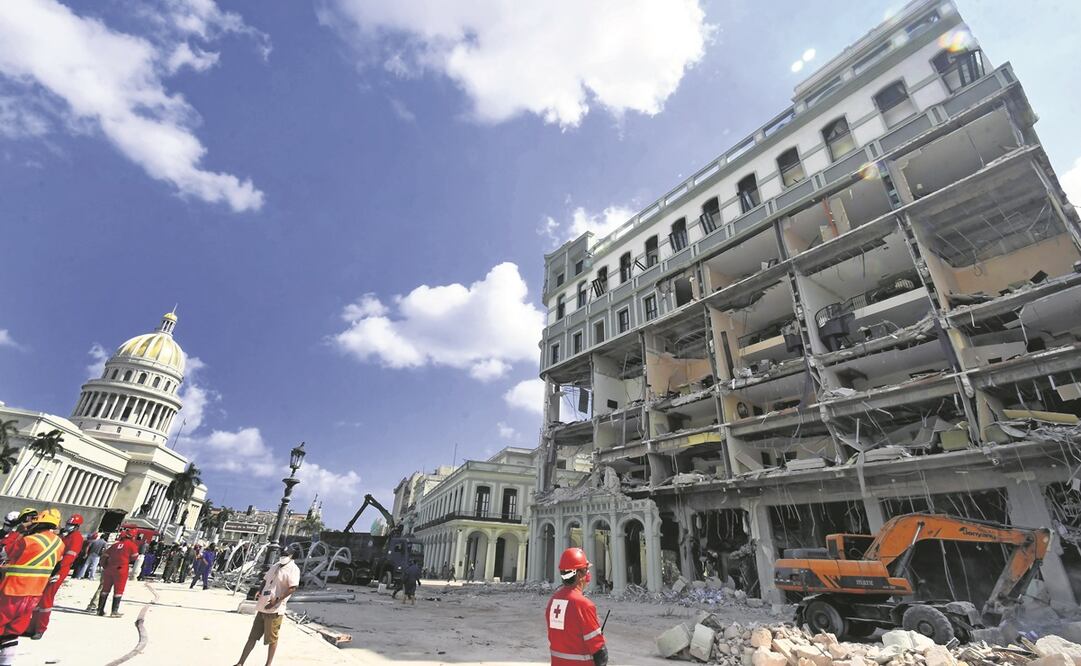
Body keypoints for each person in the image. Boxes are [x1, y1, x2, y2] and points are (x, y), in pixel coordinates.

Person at [0, 509, 62, 663]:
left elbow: (5, 552)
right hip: (33, 594)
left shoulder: (28, 540)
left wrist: (19, 532)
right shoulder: (59, 543)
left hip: (13, 591)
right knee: (12, 632)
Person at [232, 547, 300, 666]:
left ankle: (268, 664)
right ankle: (240, 662)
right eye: (282, 553)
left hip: (275, 609)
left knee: (272, 639)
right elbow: (265, 579)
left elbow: (292, 587)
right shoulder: (276, 565)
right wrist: (260, 590)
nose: (282, 556)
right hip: (263, 606)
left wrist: (276, 601)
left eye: (285, 554)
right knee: (252, 637)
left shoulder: (293, 569)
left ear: (292, 556)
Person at [545, 547, 608, 666]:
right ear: (579, 574)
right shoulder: (583, 605)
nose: (588, 574)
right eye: (586, 570)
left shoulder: (553, 602)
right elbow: (599, 650)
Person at [26, 513, 84, 639]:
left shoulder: (76, 538)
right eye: (68, 524)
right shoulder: (65, 536)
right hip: (51, 567)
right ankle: (31, 627)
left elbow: (69, 556)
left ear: (76, 526)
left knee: (46, 599)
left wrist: (57, 571)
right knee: (38, 598)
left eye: (71, 525)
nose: (68, 526)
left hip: (59, 570)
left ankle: (40, 628)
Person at [98, 529, 139, 618]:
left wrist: (105, 565)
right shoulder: (132, 545)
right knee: (118, 591)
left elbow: (105, 555)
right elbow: (134, 557)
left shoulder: (115, 545)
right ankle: (114, 611)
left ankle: (100, 610)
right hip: (121, 569)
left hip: (109, 569)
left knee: (105, 590)